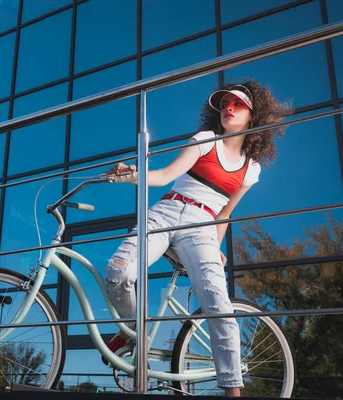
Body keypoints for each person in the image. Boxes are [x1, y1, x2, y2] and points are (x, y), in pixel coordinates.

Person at [104, 80, 291, 396]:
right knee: (117, 271)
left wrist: (216, 246)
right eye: (224, 104)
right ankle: (133, 329)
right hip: (166, 211)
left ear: (253, 116)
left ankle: (233, 391)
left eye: (238, 104)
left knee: (218, 304)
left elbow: (225, 213)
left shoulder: (250, 170)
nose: (228, 108)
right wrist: (132, 175)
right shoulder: (206, 140)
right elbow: (164, 175)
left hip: (202, 227)